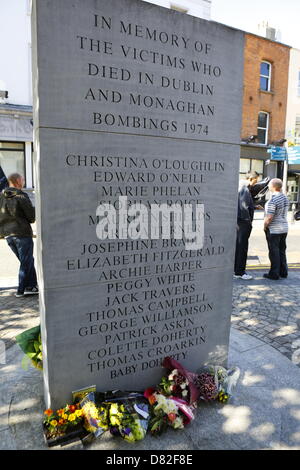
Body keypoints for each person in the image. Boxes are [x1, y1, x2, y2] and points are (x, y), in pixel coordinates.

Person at [0, 173, 38, 297]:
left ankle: (31, 286)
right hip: (22, 233)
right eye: (23, 179)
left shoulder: (1, 196)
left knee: (27, 260)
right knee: (25, 262)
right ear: (17, 181)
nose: (24, 182)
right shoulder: (21, 195)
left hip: (8, 235)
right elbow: (31, 217)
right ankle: (21, 289)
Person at [234, 171, 260, 280]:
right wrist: (248, 221)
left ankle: (236, 270)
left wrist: (253, 206)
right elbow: (244, 206)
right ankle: (240, 272)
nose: (256, 182)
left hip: (239, 221)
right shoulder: (244, 188)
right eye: (256, 180)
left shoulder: (240, 186)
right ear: (251, 178)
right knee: (242, 248)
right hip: (243, 222)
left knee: (238, 247)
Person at [263, 178, 289, 280]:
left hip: (274, 229)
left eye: (269, 185)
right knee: (282, 250)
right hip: (284, 228)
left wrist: (265, 226)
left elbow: (269, 217)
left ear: (273, 186)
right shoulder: (285, 197)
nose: (268, 186)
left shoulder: (273, 199)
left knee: (274, 252)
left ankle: (274, 274)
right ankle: (283, 272)